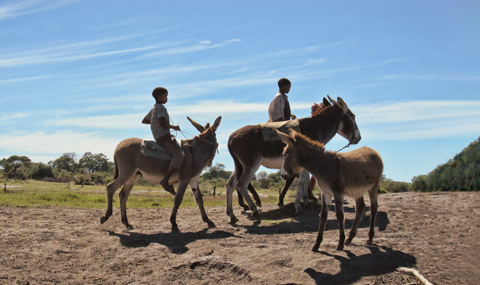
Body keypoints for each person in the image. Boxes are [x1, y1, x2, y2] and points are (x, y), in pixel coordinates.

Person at [142, 87, 184, 194]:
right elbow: (162, 123)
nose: (167, 98)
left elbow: (144, 120)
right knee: (180, 154)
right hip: (164, 137)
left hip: (158, 136)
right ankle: (166, 180)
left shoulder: (153, 109)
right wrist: (173, 127)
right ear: (160, 96)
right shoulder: (161, 108)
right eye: (166, 96)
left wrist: (153, 122)